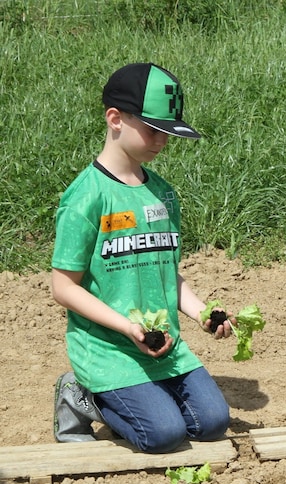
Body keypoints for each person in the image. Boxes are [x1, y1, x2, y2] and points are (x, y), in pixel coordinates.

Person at [51, 63, 233, 453]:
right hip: (109, 349)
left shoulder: (164, 195)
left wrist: (202, 312)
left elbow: (168, 273)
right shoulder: (86, 197)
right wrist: (127, 328)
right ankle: (83, 395)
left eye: (168, 132)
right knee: (163, 435)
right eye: (153, 130)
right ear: (115, 119)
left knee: (213, 423)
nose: (162, 141)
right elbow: (63, 287)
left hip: (162, 343)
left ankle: (142, 398)